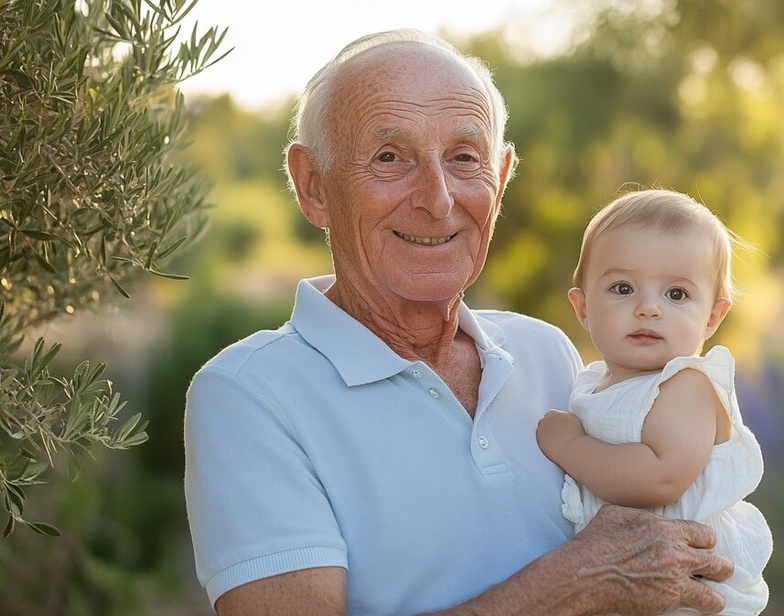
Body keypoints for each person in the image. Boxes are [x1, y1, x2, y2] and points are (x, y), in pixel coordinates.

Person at [183, 29, 735, 616]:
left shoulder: (546, 352)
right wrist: (574, 586)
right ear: (313, 186)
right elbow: (599, 569)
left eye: (464, 158)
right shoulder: (249, 397)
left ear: (499, 178)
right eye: (390, 158)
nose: (439, 199)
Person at [536, 189, 772, 616]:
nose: (648, 308)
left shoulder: (687, 386)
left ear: (713, 317)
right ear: (583, 307)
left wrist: (568, 447)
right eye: (623, 288)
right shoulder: (592, 384)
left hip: (689, 594)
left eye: (676, 295)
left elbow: (660, 479)